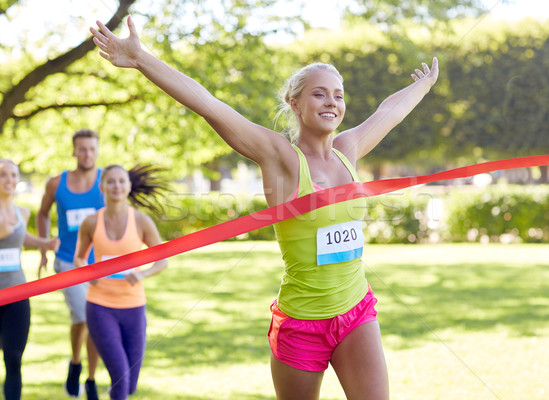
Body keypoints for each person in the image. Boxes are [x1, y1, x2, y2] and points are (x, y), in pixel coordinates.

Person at [90, 16, 438, 399]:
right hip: (302, 322)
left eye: (338, 95)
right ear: (295, 102)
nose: (332, 102)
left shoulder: (347, 151)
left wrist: (422, 86)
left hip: (356, 311)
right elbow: (210, 105)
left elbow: (389, 112)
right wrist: (141, 59)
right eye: (319, 94)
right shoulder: (281, 158)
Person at [74, 164, 168, 400]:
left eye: (121, 181)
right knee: (120, 376)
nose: (116, 186)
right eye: (111, 181)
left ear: (129, 186)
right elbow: (79, 258)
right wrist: (89, 273)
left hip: (134, 308)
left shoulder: (141, 221)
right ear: (102, 187)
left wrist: (143, 274)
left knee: (130, 383)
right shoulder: (91, 222)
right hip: (100, 306)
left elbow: (162, 259)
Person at [37, 129, 102, 399]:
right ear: (74, 151)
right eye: (82, 149)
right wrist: (43, 246)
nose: (87, 153)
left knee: (96, 320)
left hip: (101, 263)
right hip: (67, 260)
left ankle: (89, 378)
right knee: (84, 317)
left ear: (97, 151)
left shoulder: (106, 181)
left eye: (92, 149)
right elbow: (42, 214)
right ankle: (76, 361)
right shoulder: (56, 183)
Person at [0, 159, 60, 400]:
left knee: (14, 357)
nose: (9, 180)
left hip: (17, 292)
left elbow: (21, 237)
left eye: (13, 175)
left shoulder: (21, 212)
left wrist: (44, 243)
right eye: (3, 175)